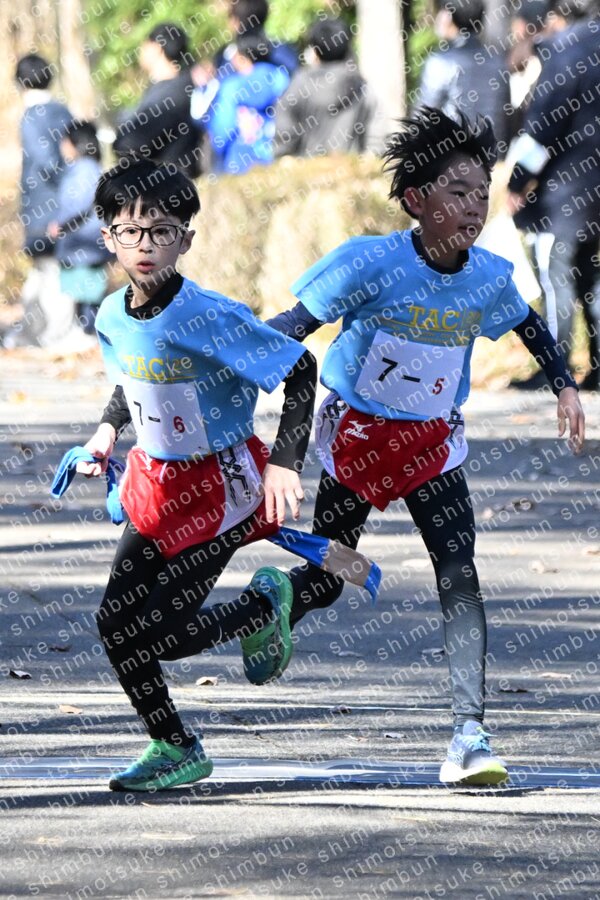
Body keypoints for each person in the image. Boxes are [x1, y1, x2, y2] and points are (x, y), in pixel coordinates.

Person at [238, 107, 585, 785]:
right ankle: (275, 598)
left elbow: (530, 326)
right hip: (360, 438)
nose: (474, 207)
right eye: (458, 192)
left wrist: (565, 386)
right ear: (416, 200)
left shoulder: (487, 276)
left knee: (458, 572)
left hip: (432, 445)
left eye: (481, 193)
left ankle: (469, 734)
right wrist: (226, 363)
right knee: (333, 577)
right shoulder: (370, 263)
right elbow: (292, 325)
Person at [78, 159, 316, 791]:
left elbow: (300, 368)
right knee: (115, 624)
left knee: (159, 632)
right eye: (130, 231)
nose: (145, 245)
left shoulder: (210, 315)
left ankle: (259, 607)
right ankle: (174, 745)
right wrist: (106, 433)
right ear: (108, 237)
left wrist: (285, 462)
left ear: (185, 238)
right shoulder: (111, 314)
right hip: (156, 486)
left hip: (219, 491)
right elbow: (132, 378)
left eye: (161, 231)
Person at [507, 0, 600, 390]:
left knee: (554, 276)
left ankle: (555, 368)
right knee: (593, 279)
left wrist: (517, 182)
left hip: (564, 193)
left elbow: (544, 126)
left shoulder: (567, 51)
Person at [6, 54, 72, 348]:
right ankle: (32, 332)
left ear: (21, 83)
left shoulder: (32, 116)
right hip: (66, 205)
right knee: (47, 270)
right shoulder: (63, 110)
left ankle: (49, 335)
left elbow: (46, 160)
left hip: (43, 207)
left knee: (49, 271)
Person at [274, 17, 384, 159]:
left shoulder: (299, 85)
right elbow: (377, 136)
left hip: (307, 169)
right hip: (351, 169)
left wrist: (284, 156)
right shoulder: (361, 86)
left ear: (315, 49)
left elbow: (285, 135)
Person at [416, 0, 511, 156]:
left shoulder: (441, 62)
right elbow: (505, 115)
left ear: (448, 16)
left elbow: (423, 116)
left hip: (450, 156)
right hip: (492, 156)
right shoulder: (498, 62)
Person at [113, 23, 203, 178]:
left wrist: (120, 140)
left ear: (157, 48)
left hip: (167, 183)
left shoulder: (173, 94)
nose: (141, 50)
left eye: (145, 45)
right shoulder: (171, 88)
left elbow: (132, 143)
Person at [47, 120, 110, 341]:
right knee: (86, 294)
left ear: (76, 143)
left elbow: (79, 202)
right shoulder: (90, 168)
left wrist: (60, 223)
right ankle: (87, 336)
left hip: (83, 244)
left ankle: (87, 337)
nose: (62, 146)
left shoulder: (84, 169)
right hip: (87, 244)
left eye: (65, 140)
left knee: (85, 296)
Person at [203, 33, 289, 175]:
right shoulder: (282, 78)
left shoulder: (231, 87)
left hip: (240, 162)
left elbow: (223, 128)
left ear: (243, 58)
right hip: (278, 157)